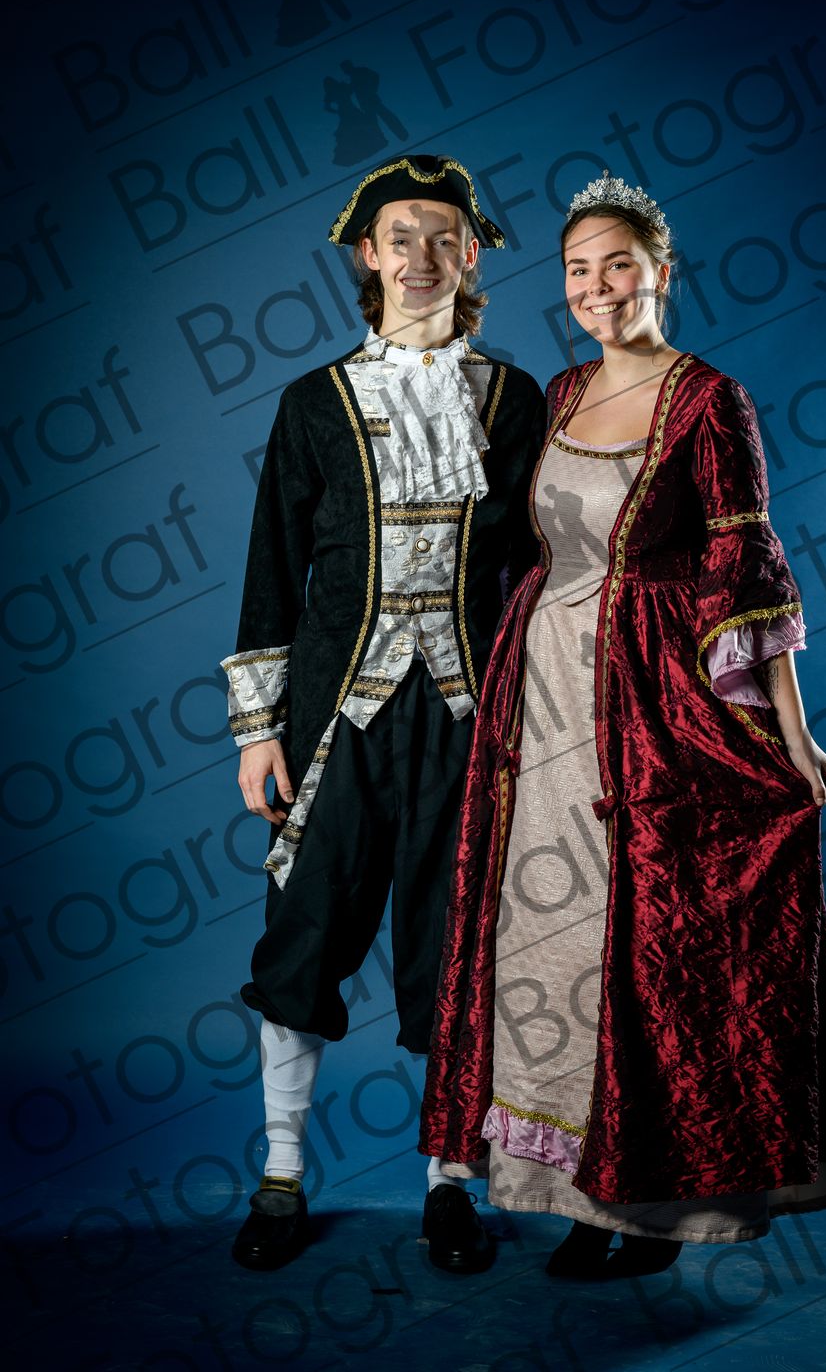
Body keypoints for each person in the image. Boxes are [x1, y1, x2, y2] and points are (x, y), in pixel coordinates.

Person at [419, 172, 826, 1278]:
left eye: (618, 264)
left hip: (655, 708)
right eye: (578, 269)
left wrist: (791, 734)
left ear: (662, 270)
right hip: (540, 706)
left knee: (649, 950)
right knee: (552, 942)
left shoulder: (711, 401)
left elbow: (744, 571)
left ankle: (652, 1208)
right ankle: (577, 1191)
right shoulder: (562, 391)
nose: (597, 287)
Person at [221, 154, 545, 1271]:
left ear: (472, 256)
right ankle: (279, 1174)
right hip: (333, 717)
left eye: (443, 237)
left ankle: (450, 1182)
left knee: (456, 943)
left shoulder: (514, 399)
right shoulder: (312, 402)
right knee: (306, 932)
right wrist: (257, 731)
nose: (420, 257)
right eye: (400, 237)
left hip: (469, 715)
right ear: (367, 254)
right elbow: (272, 569)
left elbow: (539, 569)